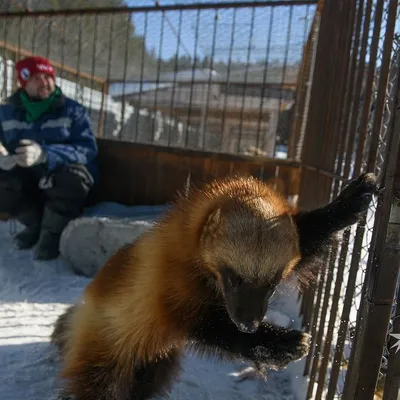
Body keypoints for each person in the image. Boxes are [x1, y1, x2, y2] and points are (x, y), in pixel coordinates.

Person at [0, 55, 99, 261]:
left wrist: (45, 155)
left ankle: (51, 233)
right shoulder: (6, 112)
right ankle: (34, 226)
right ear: (23, 83)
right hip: (25, 178)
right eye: (36, 78)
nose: (44, 82)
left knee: (75, 178)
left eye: (48, 76)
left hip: (60, 175)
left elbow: (87, 149)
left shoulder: (73, 110)